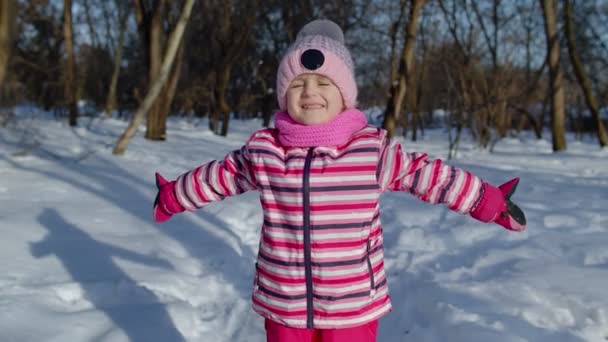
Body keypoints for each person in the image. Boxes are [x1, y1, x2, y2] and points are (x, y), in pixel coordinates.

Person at [153, 19, 527, 342]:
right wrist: (172, 197)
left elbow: (428, 175)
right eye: (298, 84)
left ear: (345, 95)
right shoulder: (265, 151)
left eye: (323, 83)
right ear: (285, 95)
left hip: (352, 304)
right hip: (284, 303)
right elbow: (219, 176)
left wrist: (488, 201)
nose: (310, 92)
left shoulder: (370, 151)